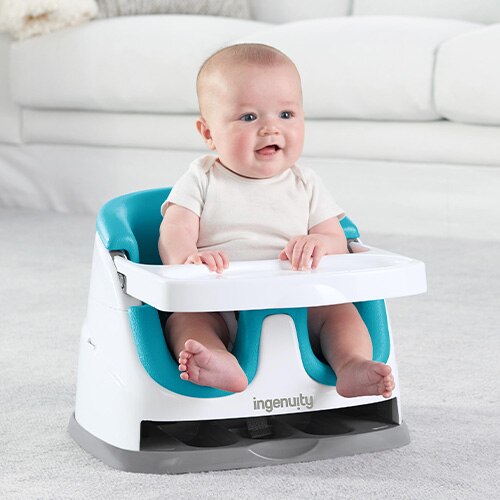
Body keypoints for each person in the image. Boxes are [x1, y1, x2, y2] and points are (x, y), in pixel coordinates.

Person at [158, 43, 395, 397]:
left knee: (340, 312)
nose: (271, 129)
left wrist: (318, 243)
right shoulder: (202, 178)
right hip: (220, 302)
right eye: (249, 117)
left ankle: (352, 363)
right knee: (185, 322)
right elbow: (174, 228)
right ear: (208, 133)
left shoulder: (306, 183)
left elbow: (338, 241)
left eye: (286, 114)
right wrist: (188, 258)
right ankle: (218, 360)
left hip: (300, 300)